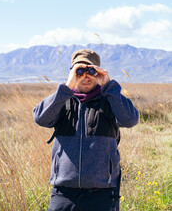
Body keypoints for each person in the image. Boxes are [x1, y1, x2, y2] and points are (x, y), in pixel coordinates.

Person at [33, 49, 139, 211]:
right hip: (63, 192)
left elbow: (130, 120)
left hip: (102, 192)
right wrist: (67, 87)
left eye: (92, 71)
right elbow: (41, 118)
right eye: (80, 71)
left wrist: (109, 86)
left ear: (99, 72)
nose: (86, 76)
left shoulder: (109, 100)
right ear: (72, 73)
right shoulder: (62, 100)